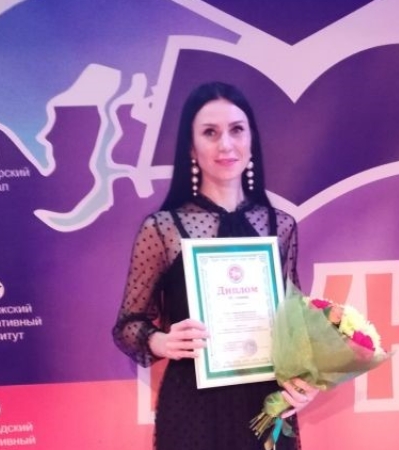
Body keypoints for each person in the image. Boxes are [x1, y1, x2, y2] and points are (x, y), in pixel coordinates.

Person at [112, 81, 319, 450]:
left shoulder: (280, 226)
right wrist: (161, 340)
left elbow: (295, 326)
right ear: (192, 148)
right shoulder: (163, 229)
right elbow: (127, 326)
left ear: (251, 140)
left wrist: (305, 381)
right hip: (192, 406)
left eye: (237, 130)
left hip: (266, 403)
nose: (226, 144)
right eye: (210, 132)